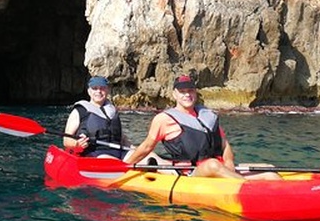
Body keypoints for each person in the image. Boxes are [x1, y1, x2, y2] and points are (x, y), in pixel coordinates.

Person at [127, 75, 281, 180]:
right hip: (190, 173)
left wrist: (229, 163)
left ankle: (283, 196)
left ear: (195, 93)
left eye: (190, 91)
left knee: (269, 169)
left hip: (220, 167)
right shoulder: (164, 119)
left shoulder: (208, 116)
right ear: (174, 94)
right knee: (212, 165)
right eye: (182, 92)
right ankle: (247, 187)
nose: (187, 95)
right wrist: (126, 165)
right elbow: (147, 146)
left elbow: (224, 144)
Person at [63, 76, 131, 158]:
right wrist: (77, 143)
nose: (98, 91)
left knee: (144, 157)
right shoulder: (79, 111)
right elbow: (66, 140)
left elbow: (122, 137)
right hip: (95, 155)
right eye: (95, 88)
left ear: (107, 90)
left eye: (102, 88)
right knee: (108, 159)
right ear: (89, 91)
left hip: (118, 152)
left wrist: (133, 148)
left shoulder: (112, 111)